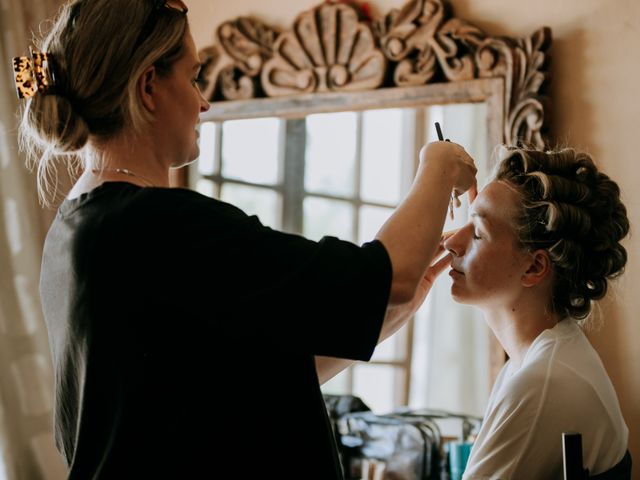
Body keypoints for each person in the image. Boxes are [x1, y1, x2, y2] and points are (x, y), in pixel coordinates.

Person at [15, 1, 477, 478]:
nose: (203, 101)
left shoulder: (78, 229)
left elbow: (246, 385)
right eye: (193, 78)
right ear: (149, 86)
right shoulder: (160, 225)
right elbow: (390, 274)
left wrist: (392, 307)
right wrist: (438, 164)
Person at [443, 147, 630, 479]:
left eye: (477, 233)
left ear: (534, 266)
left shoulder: (541, 383)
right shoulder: (534, 361)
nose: (451, 243)